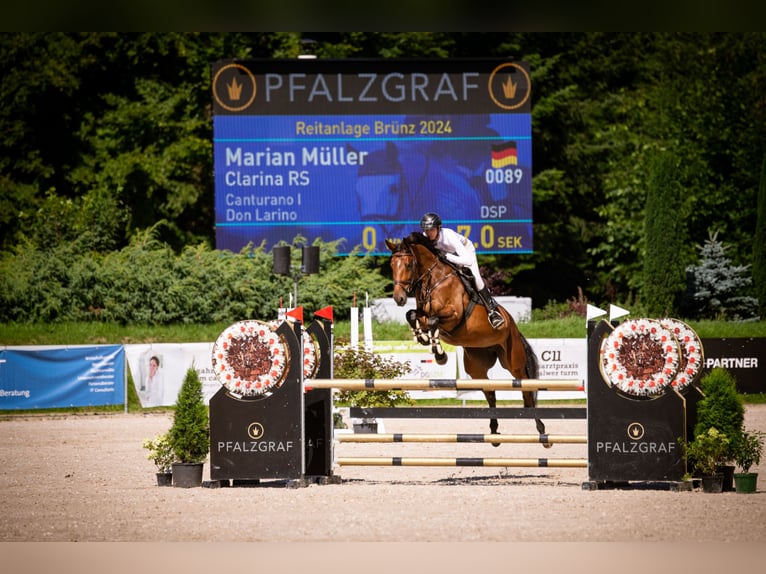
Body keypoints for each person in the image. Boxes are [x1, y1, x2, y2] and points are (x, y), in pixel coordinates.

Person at [420, 212, 505, 329]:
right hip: (447, 256)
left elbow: (467, 260)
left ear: (439, 228)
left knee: (477, 280)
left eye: (432, 230)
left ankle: (493, 311)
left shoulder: (449, 236)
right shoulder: (425, 237)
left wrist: (446, 256)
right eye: (427, 230)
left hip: (465, 252)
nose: (429, 233)